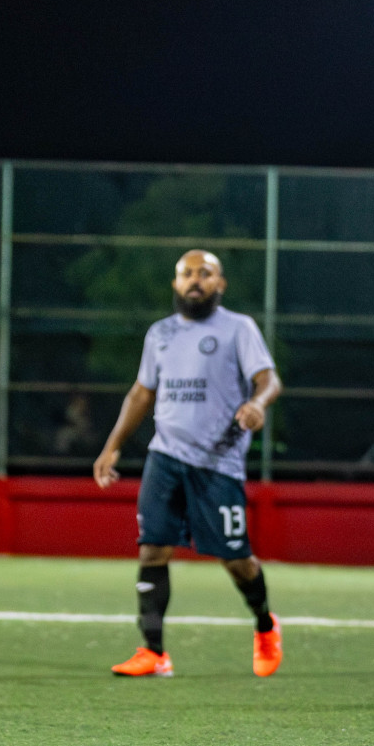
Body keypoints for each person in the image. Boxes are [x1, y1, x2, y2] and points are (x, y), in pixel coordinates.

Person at [92, 250, 284, 679]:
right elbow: (142, 393)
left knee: (236, 561)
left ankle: (265, 625)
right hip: (165, 456)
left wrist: (256, 403)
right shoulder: (159, 333)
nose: (195, 280)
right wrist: (112, 446)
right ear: (175, 284)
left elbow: (269, 379)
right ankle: (153, 651)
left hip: (218, 463)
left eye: (205, 274)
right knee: (152, 549)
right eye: (186, 274)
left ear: (220, 284)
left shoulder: (239, 328)